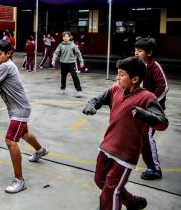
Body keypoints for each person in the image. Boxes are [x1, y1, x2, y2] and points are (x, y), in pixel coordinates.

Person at [82, 57, 168, 210]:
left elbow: (162, 123)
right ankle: (132, 203)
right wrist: (91, 105)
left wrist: (145, 115)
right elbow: (97, 100)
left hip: (125, 154)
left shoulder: (147, 97)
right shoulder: (115, 90)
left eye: (121, 74)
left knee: (112, 191)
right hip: (106, 147)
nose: (117, 77)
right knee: (100, 180)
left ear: (135, 79)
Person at [0, 39, 48, 194]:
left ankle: (19, 180)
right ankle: (40, 150)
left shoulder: (6, 66)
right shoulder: (4, 66)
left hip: (20, 110)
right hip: (18, 109)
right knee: (24, 133)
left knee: (10, 140)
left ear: (8, 54)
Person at [134, 38, 169, 180]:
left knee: (147, 136)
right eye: (135, 50)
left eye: (140, 51)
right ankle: (144, 154)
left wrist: (150, 101)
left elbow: (164, 87)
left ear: (149, 53)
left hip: (151, 109)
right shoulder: (137, 64)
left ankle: (154, 169)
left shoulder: (155, 67)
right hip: (140, 107)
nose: (136, 53)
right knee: (141, 135)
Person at [51, 31, 84, 97]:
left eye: (67, 36)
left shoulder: (73, 45)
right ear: (62, 38)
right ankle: (63, 88)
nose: (65, 38)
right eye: (64, 37)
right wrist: (53, 60)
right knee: (63, 76)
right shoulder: (60, 45)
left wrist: (81, 61)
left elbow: (78, 53)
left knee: (75, 76)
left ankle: (79, 90)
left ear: (69, 37)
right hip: (63, 64)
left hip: (71, 63)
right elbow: (56, 53)